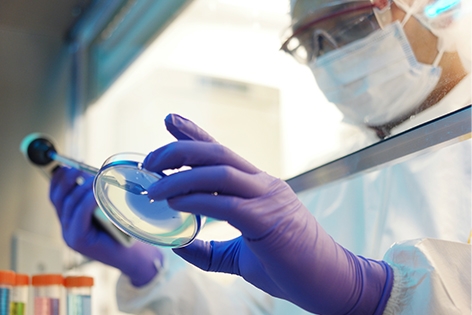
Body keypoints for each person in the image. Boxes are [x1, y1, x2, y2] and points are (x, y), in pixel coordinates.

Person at [49, 0, 471, 313]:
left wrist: (379, 294)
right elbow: (253, 305)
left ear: (439, 9)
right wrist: (150, 271)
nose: (331, 55)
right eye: (310, 44)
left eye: (353, 23)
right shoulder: (331, 174)